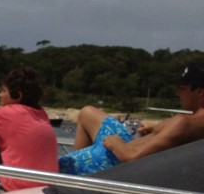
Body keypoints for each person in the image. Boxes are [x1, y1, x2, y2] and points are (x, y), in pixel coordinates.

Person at [59, 62, 204, 174]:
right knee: (87, 113)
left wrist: (115, 143)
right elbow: (175, 136)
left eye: (182, 89)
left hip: (118, 158)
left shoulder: (184, 123)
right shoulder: (194, 122)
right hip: (128, 147)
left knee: (62, 165)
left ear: (199, 92)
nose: (177, 93)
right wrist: (155, 129)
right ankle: (78, 170)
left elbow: (131, 157)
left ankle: (74, 178)